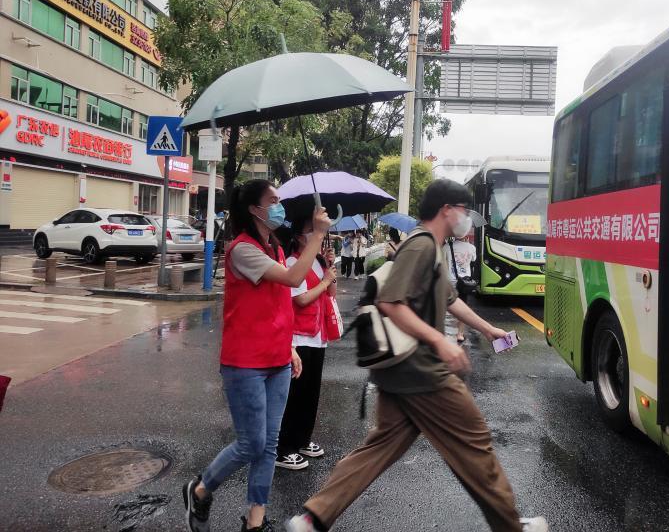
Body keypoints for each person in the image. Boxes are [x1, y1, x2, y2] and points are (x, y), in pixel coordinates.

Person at [285, 179, 548, 532]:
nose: (466, 219)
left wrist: (489, 329)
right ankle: (511, 526)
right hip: (422, 369)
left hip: (400, 372)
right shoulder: (422, 246)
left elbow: (450, 300)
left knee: (378, 448)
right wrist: (439, 342)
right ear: (447, 210)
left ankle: (312, 519)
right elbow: (390, 302)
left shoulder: (433, 247)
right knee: (475, 442)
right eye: (464, 211)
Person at [182, 179, 331, 532]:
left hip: (277, 360)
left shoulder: (275, 249)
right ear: (254, 209)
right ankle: (201, 489)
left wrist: (290, 347)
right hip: (245, 363)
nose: (279, 205)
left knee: (270, 444)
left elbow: (278, 306)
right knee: (252, 443)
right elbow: (295, 278)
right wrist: (318, 237)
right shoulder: (241, 250)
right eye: (273, 199)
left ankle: (255, 520)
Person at [276, 216, 339, 471]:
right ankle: (284, 447)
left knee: (311, 394)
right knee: (295, 395)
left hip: (317, 335)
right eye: (310, 230)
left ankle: (303, 439)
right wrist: (324, 282)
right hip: (298, 337)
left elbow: (331, 293)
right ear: (299, 237)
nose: (317, 235)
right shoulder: (293, 263)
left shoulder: (318, 262)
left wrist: (330, 272)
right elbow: (300, 299)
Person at [446, 229, 477, 343]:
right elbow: (474, 259)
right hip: (464, 282)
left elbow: (444, 263)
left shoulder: (447, 247)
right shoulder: (471, 248)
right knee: (463, 307)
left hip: (450, 281)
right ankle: (460, 334)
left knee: (445, 305)